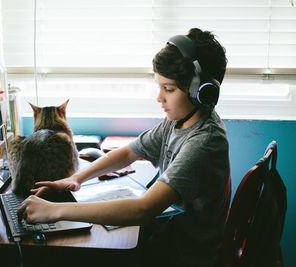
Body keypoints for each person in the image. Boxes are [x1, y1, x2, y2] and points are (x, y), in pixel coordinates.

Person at [17, 28, 231, 267]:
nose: (159, 97)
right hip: (169, 237)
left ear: (201, 93)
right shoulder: (179, 120)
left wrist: (54, 212)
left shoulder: (204, 143)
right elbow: (130, 152)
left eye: (168, 89)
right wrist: (77, 178)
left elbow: (143, 210)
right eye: (158, 86)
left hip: (183, 255)